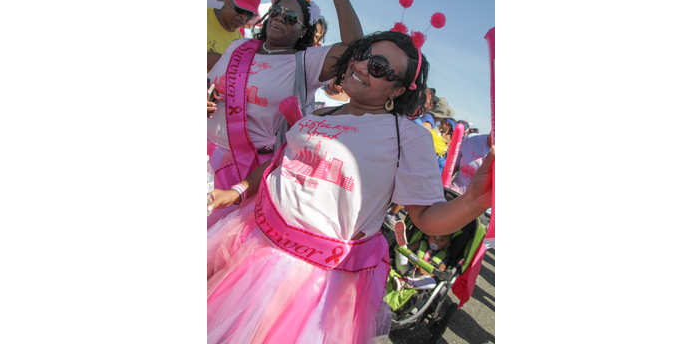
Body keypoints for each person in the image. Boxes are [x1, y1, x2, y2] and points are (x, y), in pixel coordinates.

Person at [207, 31, 495, 343]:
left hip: (305, 275)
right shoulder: (319, 113)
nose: (361, 65)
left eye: (379, 66)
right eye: (362, 54)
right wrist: (237, 190)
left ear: (398, 89)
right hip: (250, 236)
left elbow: (426, 218)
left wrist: (473, 203)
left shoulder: (408, 137)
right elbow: (280, 161)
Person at [206, 0, 362, 229]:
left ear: (304, 30)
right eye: (276, 13)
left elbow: (356, 51)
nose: (279, 19)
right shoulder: (240, 47)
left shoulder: (305, 62)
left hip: (246, 171)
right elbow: (210, 86)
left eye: (290, 17)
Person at [207, 0, 261, 71]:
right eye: (240, 9)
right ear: (227, 0)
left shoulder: (240, 43)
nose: (244, 17)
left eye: (249, 14)